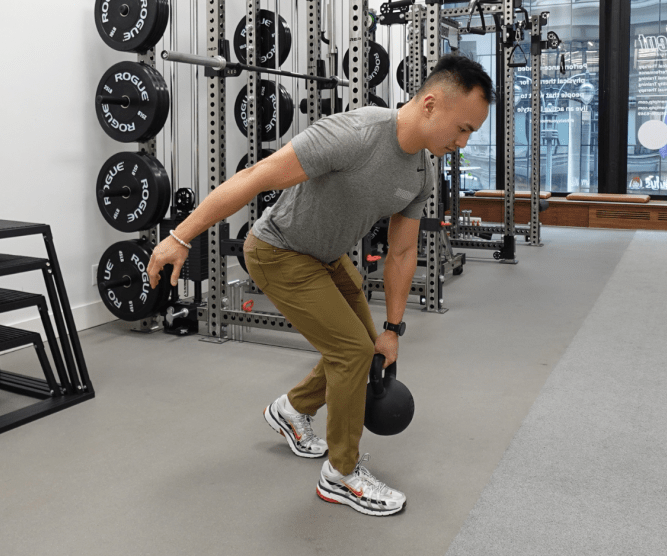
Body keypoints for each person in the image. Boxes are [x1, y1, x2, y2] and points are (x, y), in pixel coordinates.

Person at [146, 53, 494, 516]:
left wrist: (393, 328)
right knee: (351, 353)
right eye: (463, 128)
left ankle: (292, 409)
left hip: (327, 258)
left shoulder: (420, 173)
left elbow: (402, 252)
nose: (463, 142)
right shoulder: (355, 134)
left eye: (472, 133)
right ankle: (341, 476)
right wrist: (178, 237)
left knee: (364, 349)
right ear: (431, 104)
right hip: (277, 251)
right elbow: (253, 177)